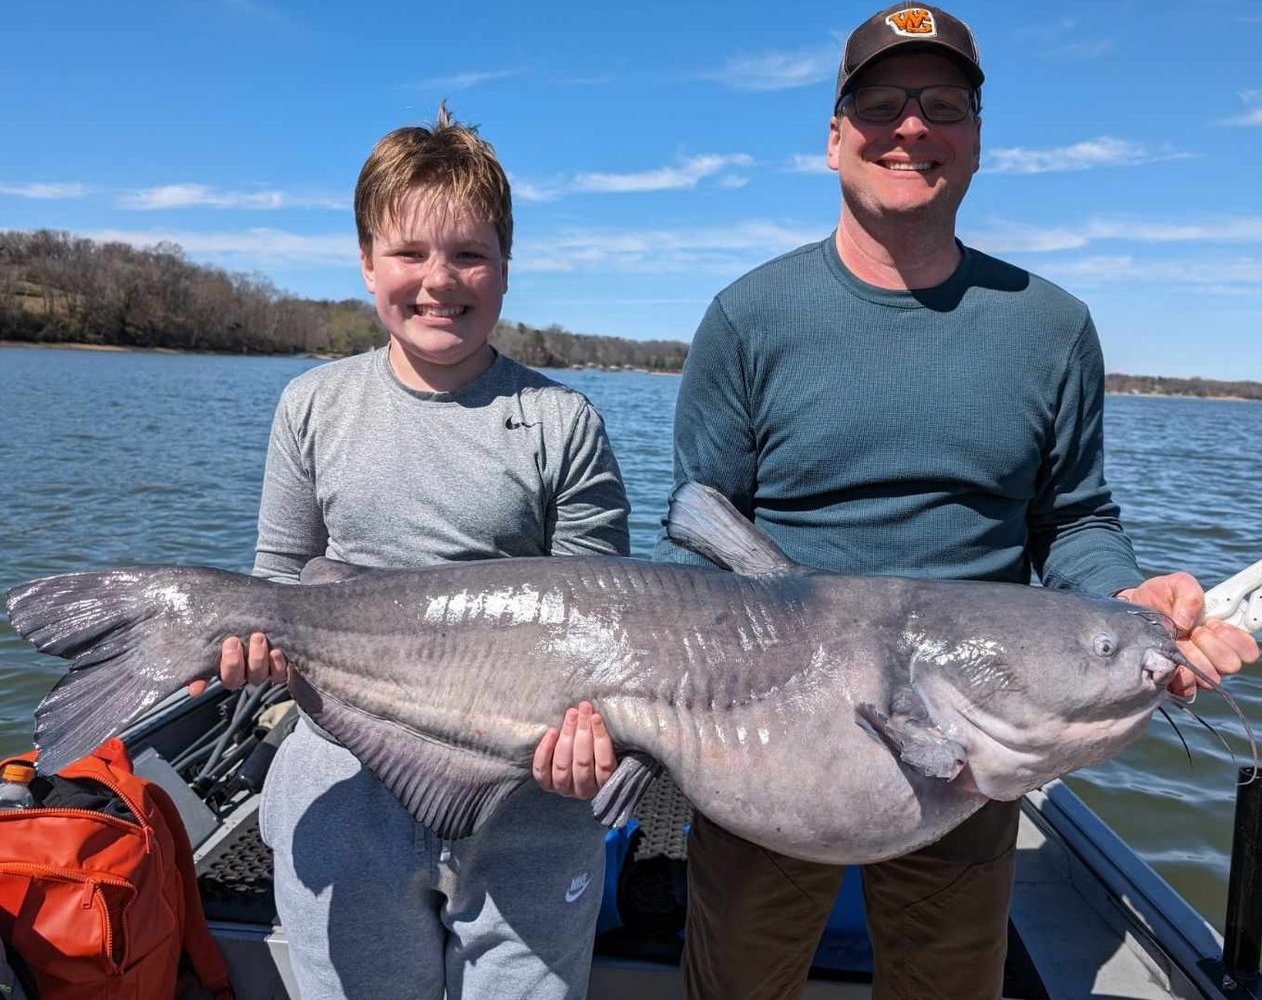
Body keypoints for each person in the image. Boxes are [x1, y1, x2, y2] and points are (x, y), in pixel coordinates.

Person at [652, 5, 1260, 999]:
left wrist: (1126, 601)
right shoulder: (747, 318)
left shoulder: (1049, 328)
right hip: (771, 726)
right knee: (735, 982)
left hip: (977, 732)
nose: (909, 127)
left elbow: (1071, 518)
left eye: (942, 105)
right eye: (880, 103)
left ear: (975, 138)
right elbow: (697, 543)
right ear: (834, 133)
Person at [195, 106, 629, 999]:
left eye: (469, 253)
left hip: (526, 793)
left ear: (505, 268)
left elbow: (607, 630)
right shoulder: (312, 406)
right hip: (344, 773)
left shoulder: (563, 422)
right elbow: (277, 584)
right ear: (365, 264)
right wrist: (246, 649)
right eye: (409, 254)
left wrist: (595, 738)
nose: (440, 281)